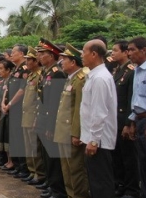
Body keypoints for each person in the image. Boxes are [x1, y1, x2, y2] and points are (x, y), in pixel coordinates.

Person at [80, 39, 117, 198]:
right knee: (96, 180)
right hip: (93, 138)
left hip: (98, 141)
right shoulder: (94, 75)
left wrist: (94, 140)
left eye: (84, 52)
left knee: (101, 181)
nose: (81, 56)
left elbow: (99, 112)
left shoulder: (100, 78)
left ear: (94, 54)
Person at [55, 43, 90, 198]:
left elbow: (79, 110)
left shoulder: (80, 79)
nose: (61, 62)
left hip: (71, 131)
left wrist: (76, 133)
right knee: (66, 168)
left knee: (75, 168)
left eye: (64, 59)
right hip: (63, 130)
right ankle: (70, 194)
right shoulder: (71, 79)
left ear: (73, 62)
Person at [126, 36, 146, 198]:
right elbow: (136, 99)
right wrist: (132, 121)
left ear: (144, 50)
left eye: (132, 49)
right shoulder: (137, 70)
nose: (129, 53)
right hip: (139, 120)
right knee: (143, 165)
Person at [35, 38, 67, 198]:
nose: (39, 56)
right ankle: (49, 183)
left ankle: (58, 189)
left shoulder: (57, 74)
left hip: (50, 120)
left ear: (52, 55)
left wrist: (50, 125)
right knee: (45, 154)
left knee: (52, 156)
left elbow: (54, 103)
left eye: (43, 54)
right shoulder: (46, 72)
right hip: (42, 117)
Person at [111, 40, 140, 198]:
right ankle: (120, 184)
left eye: (115, 50)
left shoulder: (131, 71)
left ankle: (132, 189)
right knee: (118, 156)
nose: (112, 53)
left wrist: (130, 123)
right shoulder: (117, 71)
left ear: (125, 52)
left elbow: (130, 100)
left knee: (129, 158)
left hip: (125, 120)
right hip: (115, 120)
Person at [3, 44, 30, 179]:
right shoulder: (15, 69)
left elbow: (22, 89)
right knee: (14, 137)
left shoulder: (25, 69)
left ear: (21, 54)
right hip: (11, 108)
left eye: (14, 52)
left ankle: (24, 168)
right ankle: (17, 165)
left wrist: (10, 104)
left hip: (18, 108)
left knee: (19, 138)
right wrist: (4, 103)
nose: (11, 54)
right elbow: (8, 88)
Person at [20, 46, 46, 185]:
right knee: (28, 145)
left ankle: (39, 173)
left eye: (29, 60)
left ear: (36, 62)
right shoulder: (30, 75)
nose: (27, 62)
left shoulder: (40, 75)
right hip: (26, 114)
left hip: (33, 115)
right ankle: (32, 171)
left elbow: (39, 98)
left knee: (35, 146)